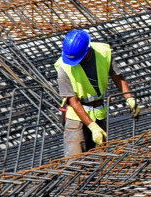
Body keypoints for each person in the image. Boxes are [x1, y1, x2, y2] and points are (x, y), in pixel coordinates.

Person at [55, 29, 140, 157]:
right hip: (76, 115)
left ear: (87, 50)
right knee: (74, 161)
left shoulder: (104, 53)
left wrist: (129, 98)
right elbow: (73, 100)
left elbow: (118, 77)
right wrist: (92, 126)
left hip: (99, 112)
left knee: (99, 159)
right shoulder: (63, 66)